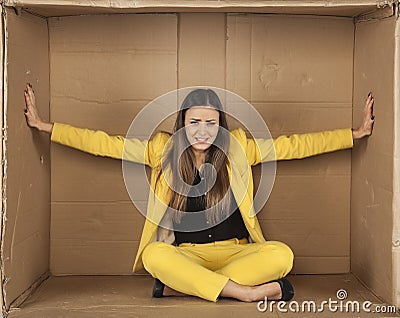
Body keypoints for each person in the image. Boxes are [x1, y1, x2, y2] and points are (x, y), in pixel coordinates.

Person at [24, 84, 375, 303]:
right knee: (155, 257)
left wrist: (353, 134)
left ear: (221, 124)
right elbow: (103, 143)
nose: (203, 131)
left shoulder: (238, 147)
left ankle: (181, 289)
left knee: (282, 255)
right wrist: (46, 126)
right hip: (188, 255)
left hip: (238, 254)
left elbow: (293, 146)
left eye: (211, 122)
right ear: (183, 124)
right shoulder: (162, 151)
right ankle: (245, 293)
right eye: (195, 122)